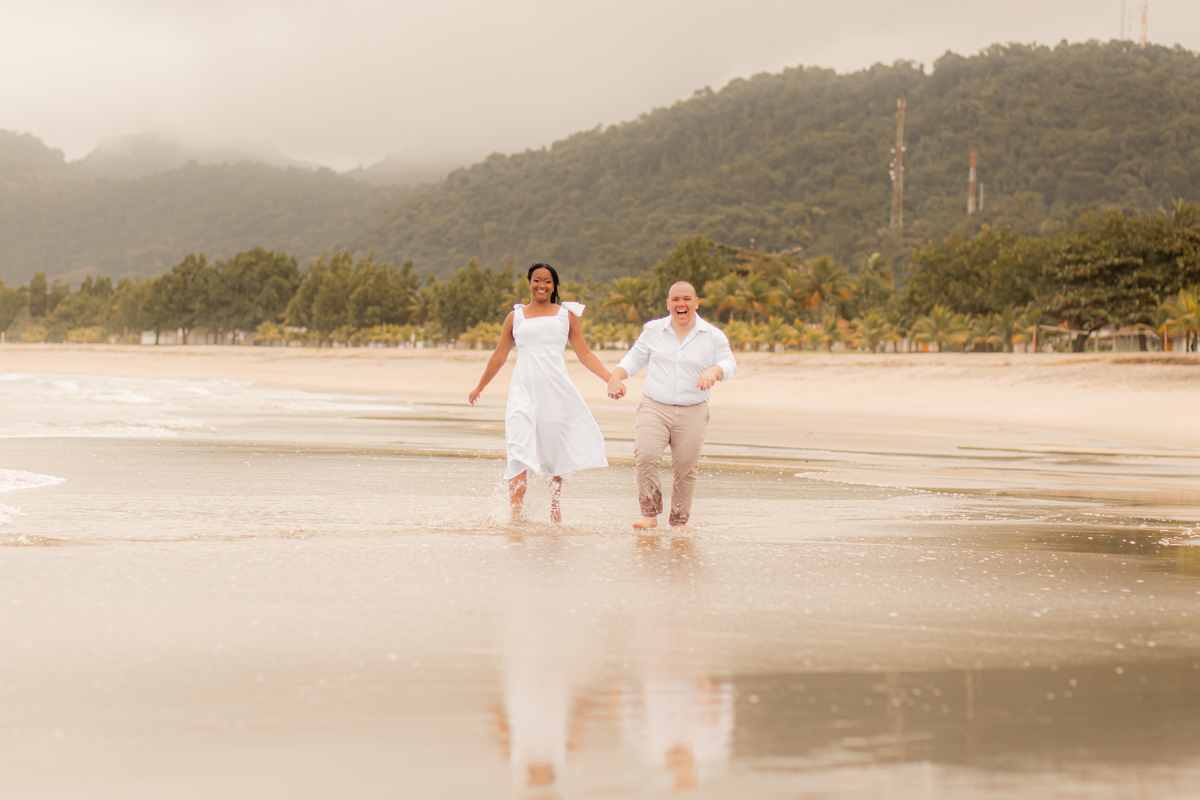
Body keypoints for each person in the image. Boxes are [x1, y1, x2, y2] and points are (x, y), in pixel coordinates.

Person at [470, 263, 612, 523]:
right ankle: (515, 516)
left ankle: (555, 508)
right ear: (529, 283)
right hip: (522, 393)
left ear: (554, 285)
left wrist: (609, 377)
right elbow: (498, 356)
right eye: (537, 280)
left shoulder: (565, 316)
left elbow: (585, 354)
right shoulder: (515, 317)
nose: (542, 285)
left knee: (553, 449)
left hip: (555, 392)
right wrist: (480, 386)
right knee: (517, 448)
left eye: (547, 281)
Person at [606, 281, 737, 529]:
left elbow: (729, 363)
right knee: (645, 455)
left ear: (696, 302)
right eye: (675, 299)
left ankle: (679, 521)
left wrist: (714, 370)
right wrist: (616, 376)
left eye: (687, 298)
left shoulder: (713, 335)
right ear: (668, 304)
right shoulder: (653, 330)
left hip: (694, 410)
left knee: (686, 468)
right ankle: (649, 514)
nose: (681, 303)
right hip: (654, 406)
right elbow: (635, 358)